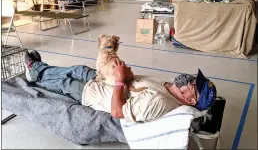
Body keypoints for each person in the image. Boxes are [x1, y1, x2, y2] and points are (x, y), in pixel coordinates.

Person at [24, 50, 217, 123]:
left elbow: (118, 111)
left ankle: (35, 71)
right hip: (108, 81)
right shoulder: (167, 85)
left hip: (95, 94)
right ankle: (40, 68)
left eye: (194, 85)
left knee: (65, 83)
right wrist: (124, 74)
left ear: (191, 100)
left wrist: (119, 80)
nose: (190, 80)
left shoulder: (161, 102)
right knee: (79, 68)